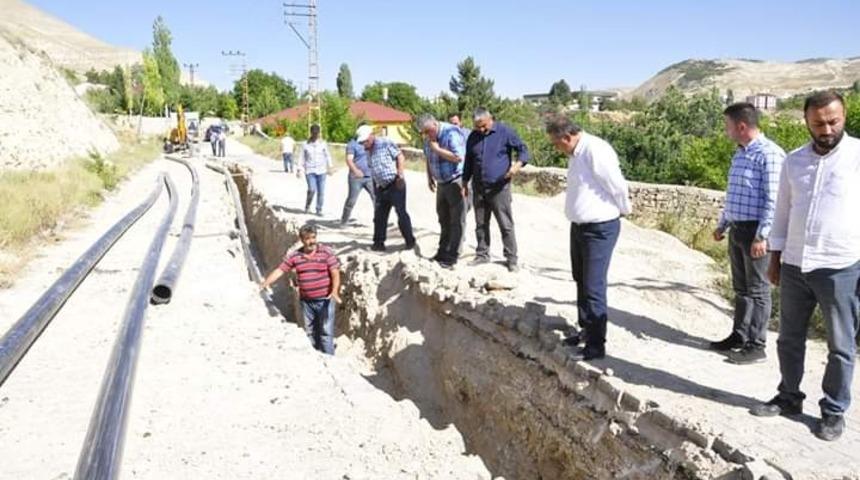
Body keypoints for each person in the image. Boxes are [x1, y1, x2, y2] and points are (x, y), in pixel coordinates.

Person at [750, 91, 860, 442]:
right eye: (818, 123)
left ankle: (833, 410)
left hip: (840, 266)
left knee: (840, 345)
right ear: (806, 122)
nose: (826, 130)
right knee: (788, 338)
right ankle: (789, 397)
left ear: (844, 116)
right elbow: (782, 212)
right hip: (796, 264)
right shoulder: (793, 161)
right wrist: (775, 258)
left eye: (833, 121)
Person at [545, 115, 631, 361]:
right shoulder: (576, 153)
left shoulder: (595, 150)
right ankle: (586, 329)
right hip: (580, 227)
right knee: (581, 279)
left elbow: (616, 185)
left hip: (599, 228)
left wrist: (624, 209)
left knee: (593, 285)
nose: (556, 148)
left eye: (556, 143)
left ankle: (596, 345)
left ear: (567, 137)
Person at [709, 103, 786, 364]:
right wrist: (723, 224)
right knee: (741, 288)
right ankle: (739, 336)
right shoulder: (740, 153)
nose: (726, 131)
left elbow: (774, 200)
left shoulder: (770, 154)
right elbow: (734, 194)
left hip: (756, 232)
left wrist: (762, 236)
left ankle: (756, 345)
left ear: (741, 126)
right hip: (737, 229)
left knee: (758, 290)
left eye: (727, 126)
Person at [462, 107, 529, 272]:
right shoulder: (473, 136)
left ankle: (511, 259)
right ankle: (482, 254)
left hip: (500, 188)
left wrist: (517, 166)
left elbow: (523, 149)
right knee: (481, 224)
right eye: (477, 126)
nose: (481, 129)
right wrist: (464, 182)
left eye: (483, 126)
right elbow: (468, 161)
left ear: (490, 119)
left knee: (505, 224)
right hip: (479, 187)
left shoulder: (505, 132)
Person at [260, 223, 341, 355]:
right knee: (310, 333)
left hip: (325, 300)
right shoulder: (295, 256)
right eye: (308, 238)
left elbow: (335, 272)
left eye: (313, 237)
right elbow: (280, 270)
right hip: (307, 302)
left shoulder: (326, 252)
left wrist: (334, 291)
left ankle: (330, 360)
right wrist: (264, 284)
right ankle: (315, 358)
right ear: (302, 240)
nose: (311, 241)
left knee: (326, 333)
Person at [417, 114, 467, 268]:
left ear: (434, 124)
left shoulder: (451, 132)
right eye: (424, 133)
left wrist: (438, 150)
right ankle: (442, 251)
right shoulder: (428, 139)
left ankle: (453, 255)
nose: (427, 135)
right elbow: (428, 157)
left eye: (428, 131)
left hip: (455, 181)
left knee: (457, 220)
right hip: (441, 182)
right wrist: (429, 177)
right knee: (443, 218)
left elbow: (458, 157)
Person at [356, 124, 415, 251]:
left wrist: (400, 175)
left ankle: (410, 241)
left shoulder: (385, 143)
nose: (363, 144)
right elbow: (373, 169)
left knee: (401, 213)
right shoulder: (368, 151)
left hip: (394, 183)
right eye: (361, 142)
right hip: (380, 187)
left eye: (364, 141)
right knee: (379, 217)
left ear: (371, 136)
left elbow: (400, 156)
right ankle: (378, 243)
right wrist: (375, 187)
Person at [339, 130, 375, 224]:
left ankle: (380, 220)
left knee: (376, 198)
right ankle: (344, 220)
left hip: (370, 176)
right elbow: (349, 160)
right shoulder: (352, 144)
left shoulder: (370, 142)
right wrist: (356, 171)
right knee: (352, 200)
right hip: (356, 178)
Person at [297, 124, 332, 216]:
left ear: (319, 133)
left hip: (322, 171)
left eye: (317, 133)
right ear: (311, 133)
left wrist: (330, 166)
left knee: (321, 191)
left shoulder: (323, 144)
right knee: (312, 189)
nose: (315, 135)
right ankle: (308, 205)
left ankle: (319, 209)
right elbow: (301, 157)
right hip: (310, 171)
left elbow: (327, 155)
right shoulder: (305, 144)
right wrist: (299, 169)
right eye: (313, 133)